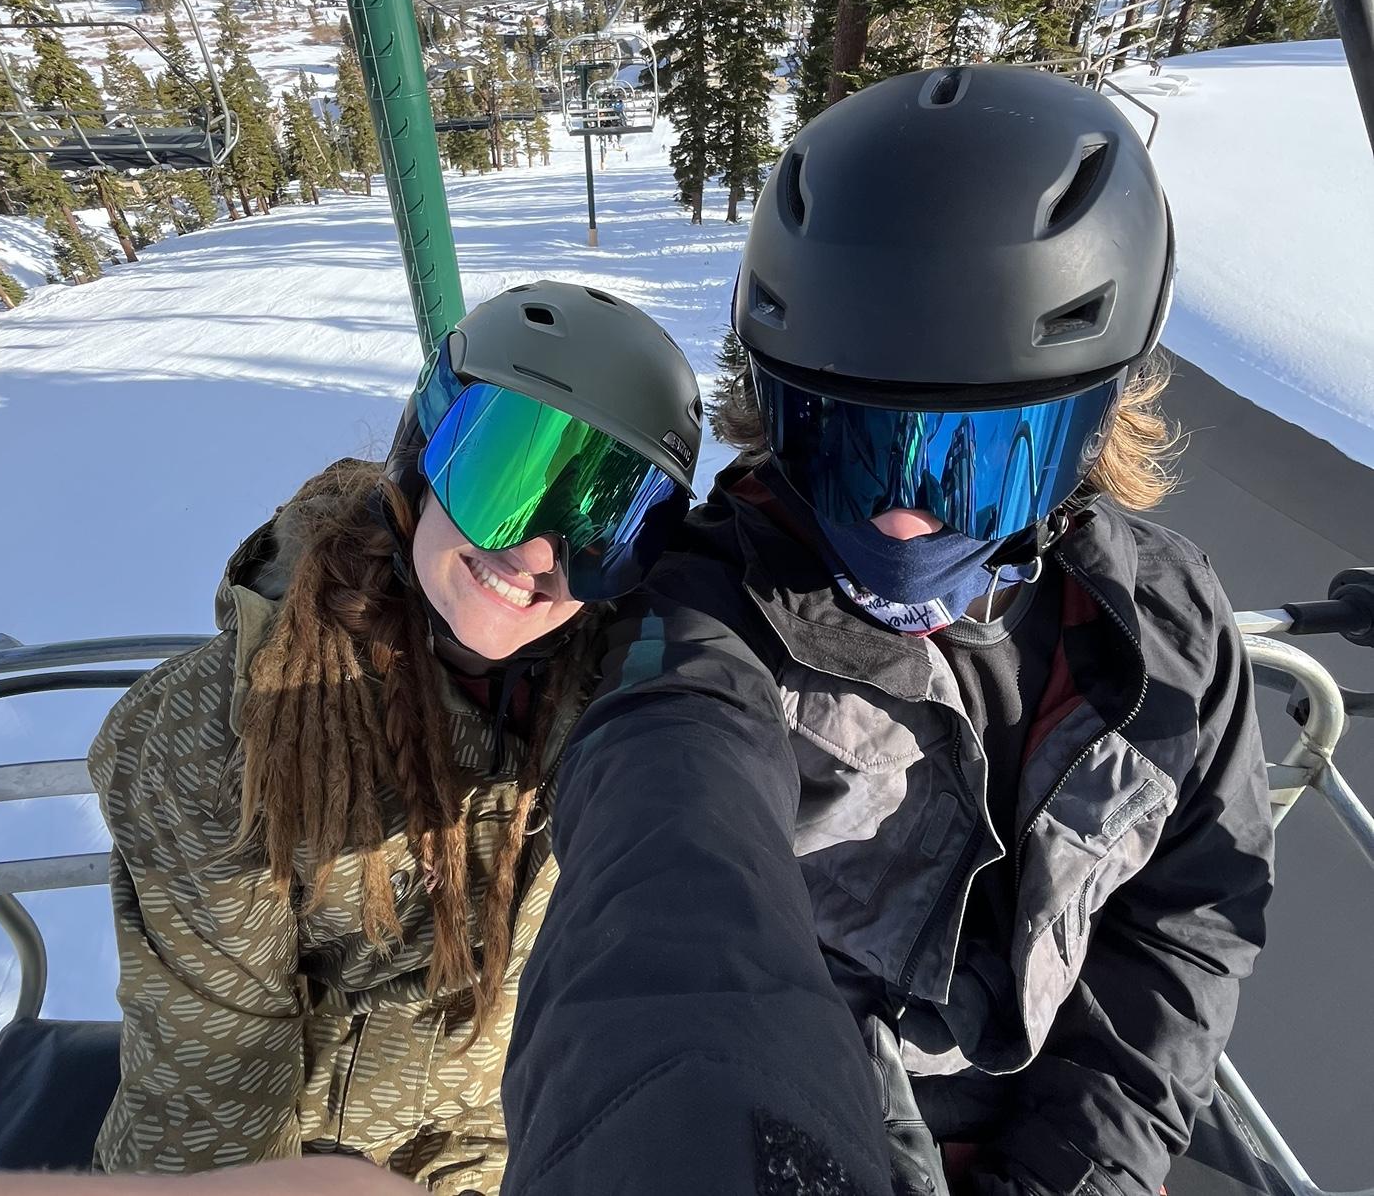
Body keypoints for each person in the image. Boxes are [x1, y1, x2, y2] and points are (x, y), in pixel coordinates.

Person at [522, 65, 1273, 1196]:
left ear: (1094, 426)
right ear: (771, 409)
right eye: (849, 444)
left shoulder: (1167, 630)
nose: (900, 517)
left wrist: (1081, 1173)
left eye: (975, 459)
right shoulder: (710, 621)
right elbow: (669, 871)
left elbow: (1182, 926)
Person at [86, 281, 703, 1191]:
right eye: (504, 482)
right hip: (325, 1155)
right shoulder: (232, 735)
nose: (538, 556)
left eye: (599, 526)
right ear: (421, 455)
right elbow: (213, 1077)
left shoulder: (628, 693)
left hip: (534, 1133)